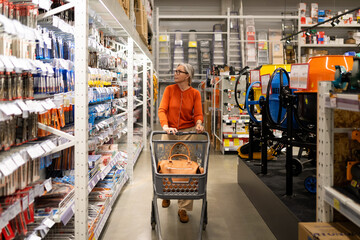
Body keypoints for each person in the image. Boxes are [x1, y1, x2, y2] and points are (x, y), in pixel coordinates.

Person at [158, 63, 204, 223]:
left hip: (188, 133)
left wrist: (198, 123)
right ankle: (166, 193)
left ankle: (183, 207)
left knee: (188, 169)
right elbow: (162, 110)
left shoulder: (195, 93)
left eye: (179, 71)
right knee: (165, 164)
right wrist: (165, 126)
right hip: (169, 133)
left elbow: (198, 113)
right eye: (175, 70)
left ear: (187, 76)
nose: (175, 73)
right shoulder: (169, 90)